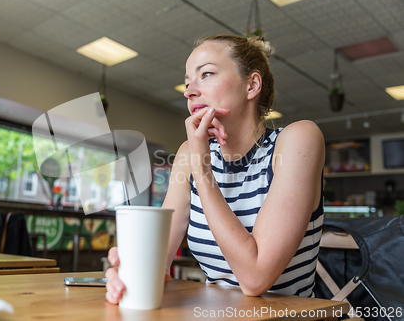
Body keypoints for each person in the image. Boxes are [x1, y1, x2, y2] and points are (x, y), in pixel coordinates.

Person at [106, 34, 325, 302]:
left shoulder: (298, 139)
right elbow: (157, 260)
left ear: (251, 85)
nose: (189, 91)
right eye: (188, 83)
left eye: (206, 74)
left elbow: (255, 278)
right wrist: (129, 271)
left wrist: (201, 168)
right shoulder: (190, 154)